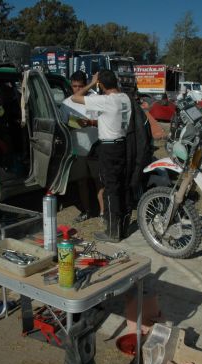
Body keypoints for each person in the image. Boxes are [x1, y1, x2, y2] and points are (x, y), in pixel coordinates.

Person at [72, 69, 132, 242]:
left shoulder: (105, 100)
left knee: (110, 189)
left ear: (101, 85)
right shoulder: (125, 98)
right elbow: (110, 118)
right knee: (120, 186)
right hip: (122, 144)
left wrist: (92, 83)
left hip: (108, 148)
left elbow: (75, 98)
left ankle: (112, 232)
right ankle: (122, 226)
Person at [62, 71, 104, 223]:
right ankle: (86, 211)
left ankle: (103, 213)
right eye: (74, 86)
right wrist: (74, 125)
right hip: (78, 148)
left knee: (99, 181)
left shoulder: (96, 99)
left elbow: (107, 121)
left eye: (81, 86)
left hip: (96, 148)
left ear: (86, 84)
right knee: (82, 181)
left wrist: (91, 123)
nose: (78, 89)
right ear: (70, 85)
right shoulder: (67, 103)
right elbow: (63, 126)